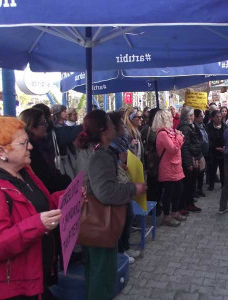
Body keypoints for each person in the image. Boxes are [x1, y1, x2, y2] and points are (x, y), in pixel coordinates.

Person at [0, 116, 63, 300]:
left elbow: (43, 207)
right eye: (24, 143)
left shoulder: (24, 174)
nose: (30, 147)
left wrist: (68, 198)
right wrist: (38, 225)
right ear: (1, 151)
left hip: (33, 281)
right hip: (9, 291)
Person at [75, 110, 146, 300]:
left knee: (96, 273)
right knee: (103, 277)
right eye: (112, 124)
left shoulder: (92, 151)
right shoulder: (100, 155)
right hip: (100, 225)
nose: (116, 127)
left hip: (92, 224)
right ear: (104, 130)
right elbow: (105, 193)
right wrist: (133, 189)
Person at [108, 111, 141, 263]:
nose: (124, 125)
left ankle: (124, 248)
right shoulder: (109, 146)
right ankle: (120, 251)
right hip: (117, 188)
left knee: (128, 216)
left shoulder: (121, 140)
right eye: (121, 123)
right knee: (123, 218)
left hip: (124, 182)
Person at [19, 108, 72, 193]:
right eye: (43, 123)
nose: (47, 125)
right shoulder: (32, 151)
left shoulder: (42, 144)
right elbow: (45, 180)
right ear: (32, 127)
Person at [154, 109, 186, 226]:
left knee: (179, 189)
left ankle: (175, 212)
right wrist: (179, 137)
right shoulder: (162, 134)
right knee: (169, 192)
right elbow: (173, 149)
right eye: (168, 117)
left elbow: (177, 145)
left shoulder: (170, 132)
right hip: (168, 167)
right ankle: (167, 216)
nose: (171, 119)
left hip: (176, 166)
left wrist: (178, 138)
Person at [176, 106, 203, 213]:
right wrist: (188, 163)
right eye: (191, 115)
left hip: (192, 157)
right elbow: (185, 147)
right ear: (188, 116)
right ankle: (183, 205)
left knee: (191, 184)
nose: (193, 117)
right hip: (188, 160)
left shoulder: (189, 126)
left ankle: (189, 203)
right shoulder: (185, 127)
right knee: (187, 184)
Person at [140, 108, 164, 215]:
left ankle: (158, 204)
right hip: (151, 162)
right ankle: (152, 206)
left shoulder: (162, 128)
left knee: (160, 185)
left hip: (162, 160)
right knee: (152, 185)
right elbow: (140, 143)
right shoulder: (147, 129)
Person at [206, 110, 226, 191]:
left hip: (223, 151)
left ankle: (223, 184)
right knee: (212, 169)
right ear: (213, 118)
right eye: (217, 117)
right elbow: (208, 139)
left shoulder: (225, 126)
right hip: (213, 151)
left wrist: (225, 147)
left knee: (223, 169)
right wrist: (215, 147)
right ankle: (211, 185)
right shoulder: (208, 127)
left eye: (220, 116)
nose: (219, 118)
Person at [194, 109, 208, 197]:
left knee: (202, 171)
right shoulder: (194, 127)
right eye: (200, 116)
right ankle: (196, 190)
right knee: (197, 172)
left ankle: (199, 188)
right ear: (195, 117)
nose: (202, 118)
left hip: (204, 152)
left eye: (203, 116)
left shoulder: (202, 125)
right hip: (198, 153)